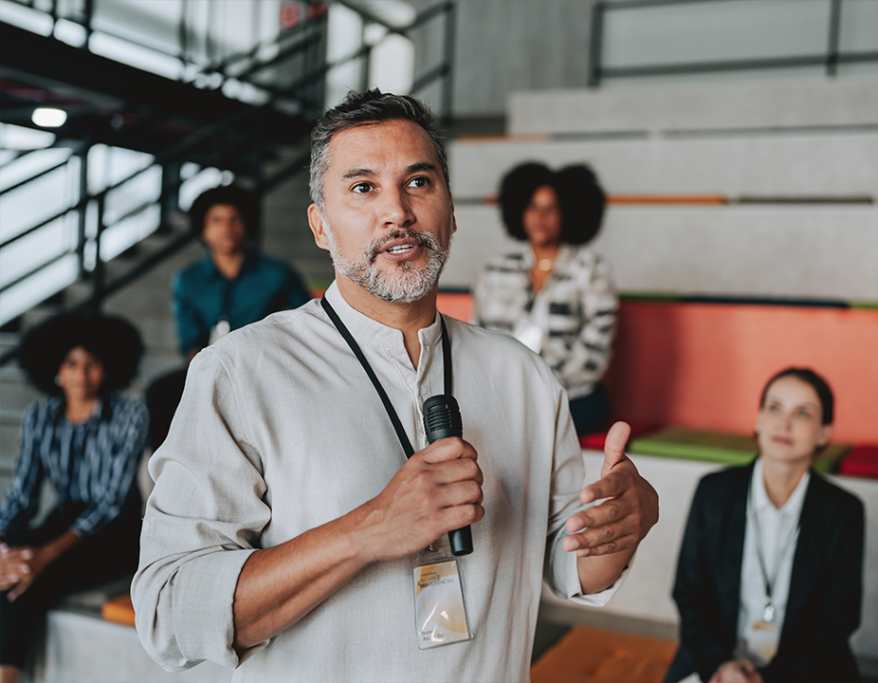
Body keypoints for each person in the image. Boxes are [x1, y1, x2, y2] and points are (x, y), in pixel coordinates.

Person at [132, 89, 659, 682]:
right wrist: (368, 531)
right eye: (363, 188)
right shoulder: (240, 371)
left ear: (451, 210)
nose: (398, 212)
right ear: (320, 225)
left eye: (419, 182)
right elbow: (170, 612)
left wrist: (622, 526)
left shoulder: (525, 377)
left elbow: (571, 571)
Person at [664, 368, 864, 683]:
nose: (784, 423)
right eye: (774, 408)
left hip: (803, 671)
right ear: (758, 418)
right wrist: (721, 666)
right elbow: (690, 594)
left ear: (824, 433)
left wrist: (770, 678)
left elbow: (839, 619)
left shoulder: (843, 512)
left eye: (802, 413)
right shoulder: (713, 493)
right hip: (718, 663)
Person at [0, 313, 148, 683]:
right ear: (55, 369)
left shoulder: (130, 413)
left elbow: (110, 502)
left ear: (109, 367)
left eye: (92, 363)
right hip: (64, 517)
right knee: (11, 571)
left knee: (32, 583)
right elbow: (23, 495)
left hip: (117, 530)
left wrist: (44, 554)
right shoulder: (41, 416)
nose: (81, 373)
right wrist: (3, 546)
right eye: (71, 363)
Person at [474, 162, 617, 435]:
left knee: (530, 428)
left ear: (570, 213)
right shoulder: (495, 270)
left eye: (551, 208)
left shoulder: (592, 269)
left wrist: (542, 390)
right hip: (507, 395)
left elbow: (596, 347)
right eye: (532, 206)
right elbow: (479, 338)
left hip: (573, 396)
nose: (540, 216)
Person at [173, 184, 310, 362]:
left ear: (247, 224)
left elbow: (307, 324)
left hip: (266, 364)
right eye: (216, 220)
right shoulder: (188, 280)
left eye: (234, 218)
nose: (226, 227)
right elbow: (190, 343)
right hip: (211, 366)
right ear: (203, 230)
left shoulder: (278, 274)